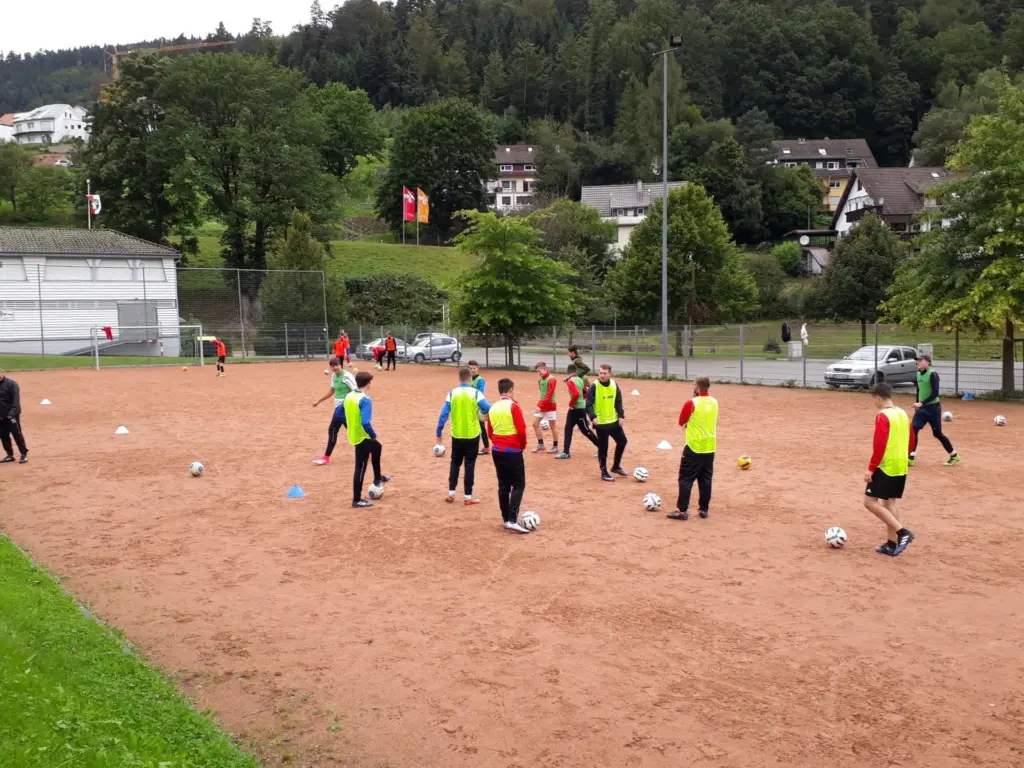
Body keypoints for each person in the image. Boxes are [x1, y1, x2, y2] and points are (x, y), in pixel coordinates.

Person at [864, 382, 915, 556]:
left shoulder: (882, 415)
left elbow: (879, 445)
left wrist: (871, 469)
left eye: (874, 399)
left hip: (886, 465)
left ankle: (902, 533)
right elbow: (912, 439)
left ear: (878, 397)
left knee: (869, 502)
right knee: (889, 502)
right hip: (901, 465)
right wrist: (905, 456)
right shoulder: (902, 413)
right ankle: (891, 544)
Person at [436, 367, 492, 504]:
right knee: (469, 464)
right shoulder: (476, 393)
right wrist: (481, 412)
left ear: (459, 379)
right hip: (472, 435)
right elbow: (488, 408)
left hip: (457, 434)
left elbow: (443, 414)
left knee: (455, 463)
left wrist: (439, 432)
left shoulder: (452, 393)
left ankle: (451, 493)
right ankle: (468, 497)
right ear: (471, 379)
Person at [667, 376, 718, 521]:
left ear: (696, 387)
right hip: (710, 447)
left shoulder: (691, 403)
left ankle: (682, 510)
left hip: (693, 447)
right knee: (706, 479)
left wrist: (688, 423)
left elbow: (681, 421)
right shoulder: (715, 402)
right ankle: (703, 509)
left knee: (685, 479)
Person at [339, 370, 390, 508]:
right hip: (363, 436)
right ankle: (356, 500)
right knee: (360, 468)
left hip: (355, 435)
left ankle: (378, 477)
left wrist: (350, 426)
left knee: (377, 447)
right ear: (368, 384)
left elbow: (340, 413)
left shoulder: (349, 396)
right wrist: (373, 435)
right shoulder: (365, 400)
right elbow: (365, 422)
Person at [487, 378, 531, 533]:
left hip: (497, 450)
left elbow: (490, 432)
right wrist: (522, 446)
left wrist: (498, 442)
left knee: (503, 485)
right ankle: (513, 519)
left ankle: (506, 519)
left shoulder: (492, 408)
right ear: (511, 390)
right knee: (519, 485)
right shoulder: (513, 406)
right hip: (512, 450)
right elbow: (521, 430)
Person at [910, 355, 960, 467]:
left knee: (937, 434)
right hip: (921, 409)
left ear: (927, 362)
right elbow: (919, 391)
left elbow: (935, 393)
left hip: (933, 409)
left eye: (920, 360)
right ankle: (911, 457)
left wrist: (922, 403)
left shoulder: (933, 374)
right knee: (913, 430)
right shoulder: (918, 374)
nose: (917, 362)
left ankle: (954, 455)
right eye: (917, 361)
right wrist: (918, 403)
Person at [312, 356, 357, 465]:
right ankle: (368, 449)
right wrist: (319, 401)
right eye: (332, 366)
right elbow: (332, 390)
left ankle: (326, 457)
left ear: (340, 365)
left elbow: (356, 391)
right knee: (352, 432)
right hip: (339, 408)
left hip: (346, 407)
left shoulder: (347, 376)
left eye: (336, 365)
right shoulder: (333, 376)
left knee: (333, 429)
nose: (335, 368)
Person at [586, 363, 627, 481]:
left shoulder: (614, 384)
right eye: (600, 373)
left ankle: (616, 466)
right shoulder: (595, 385)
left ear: (610, 374)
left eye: (605, 373)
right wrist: (593, 417)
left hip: (613, 421)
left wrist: (621, 415)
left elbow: (618, 401)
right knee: (603, 448)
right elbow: (588, 404)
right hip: (601, 423)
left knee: (622, 441)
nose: (602, 375)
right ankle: (604, 472)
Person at [556, 363, 597, 460]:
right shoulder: (579, 379)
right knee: (569, 429)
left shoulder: (570, 381)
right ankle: (566, 452)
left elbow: (576, 394)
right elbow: (585, 392)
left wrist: (571, 404)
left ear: (568, 372)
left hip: (577, 409)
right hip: (578, 409)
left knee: (586, 430)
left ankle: (602, 447)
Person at [0, 369, 28, 464]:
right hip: (0, 415)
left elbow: (16, 402)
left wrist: (11, 415)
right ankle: (9, 455)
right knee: (3, 435)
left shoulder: (12, 384)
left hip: (12, 415)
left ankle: (24, 454)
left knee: (17, 434)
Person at [532, 361, 559, 454]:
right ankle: (541, 445)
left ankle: (555, 446)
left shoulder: (552, 379)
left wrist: (540, 405)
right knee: (535, 424)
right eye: (537, 371)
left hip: (550, 405)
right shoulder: (540, 381)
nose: (539, 373)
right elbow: (542, 394)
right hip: (542, 404)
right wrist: (539, 404)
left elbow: (549, 394)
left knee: (553, 426)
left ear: (545, 369)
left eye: (540, 371)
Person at [468, 360, 490, 455]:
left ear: (478, 368)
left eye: (474, 368)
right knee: (474, 426)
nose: (472, 370)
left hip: (478, 407)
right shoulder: (471, 379)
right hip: (471, 407)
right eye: (470, 368)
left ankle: (486, 447)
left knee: (481, 427)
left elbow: (480, 394)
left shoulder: (480, 380)